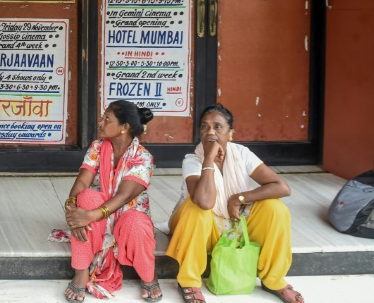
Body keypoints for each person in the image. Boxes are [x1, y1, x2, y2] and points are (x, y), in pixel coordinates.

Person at [166, 104, 303, 303]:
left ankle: (273, 279)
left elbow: (281, 187)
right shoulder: (193, 160)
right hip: (203, 228)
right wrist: (209, 159)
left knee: (276, 209)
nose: (210, 132)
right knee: (196, 209)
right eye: (204, 127)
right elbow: (205, 201)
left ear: (230, 133)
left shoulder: (241, 153)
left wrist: (239, 199)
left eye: (217, 127)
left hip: (235, 221)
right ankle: (188, 281)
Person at [63, 100, 162, 302]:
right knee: (87, 198)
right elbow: (83, 180)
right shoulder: (97, 147)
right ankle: (81, 272)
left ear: (125, 127)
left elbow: (123, 196)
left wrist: (89, 215)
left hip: (129, 216)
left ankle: (149, 274)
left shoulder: (143, 157)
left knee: (134, 222)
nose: (100, 123)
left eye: (107, 119)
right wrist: (73, 206)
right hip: (100, 216)